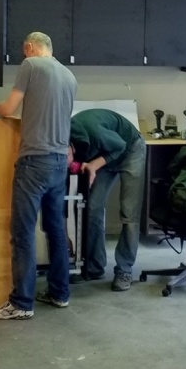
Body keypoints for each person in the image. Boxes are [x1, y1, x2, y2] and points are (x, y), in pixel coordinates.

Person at [0, 31, 77, 320]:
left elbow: (10, 108)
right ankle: (60, 294)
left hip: (33, 161)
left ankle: (21, 303)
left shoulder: (31, 66)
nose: (24, 56)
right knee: (56, 231)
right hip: (59, 162)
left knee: (22, 233)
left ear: (29, 47)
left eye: (25, 51)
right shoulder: (69, 76)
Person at [68, 108, 146, 291]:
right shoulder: (67, 142)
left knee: (129, 212)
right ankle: (94, 268)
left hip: (130, 149)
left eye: (67, 159)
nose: (69, 165)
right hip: (105, 153)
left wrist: (94, 164)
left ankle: (124, 269)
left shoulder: (93, 132)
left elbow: (120, 146)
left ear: (69, 147)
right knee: (92, 208)